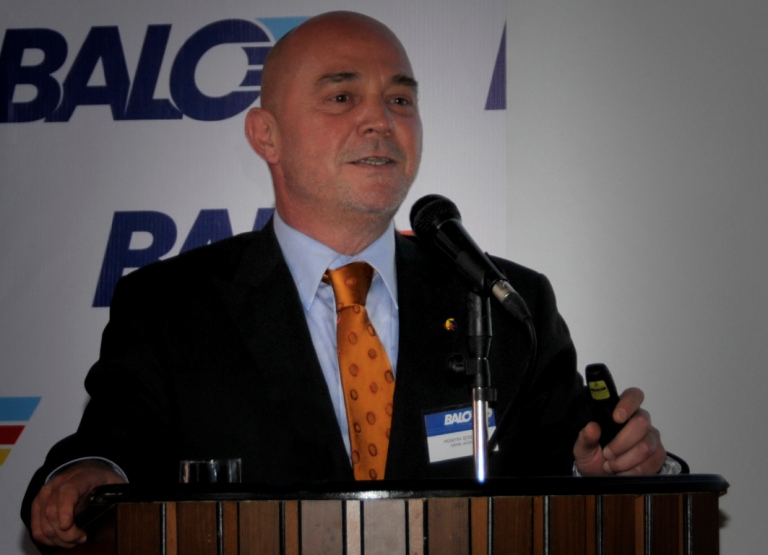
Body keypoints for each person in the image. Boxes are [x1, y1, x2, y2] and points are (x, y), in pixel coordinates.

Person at [22, 11, 672, 549]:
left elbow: (575, 460)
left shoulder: (503, 299)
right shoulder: (172, 307)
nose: (380, 120)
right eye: (342, 97)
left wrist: (609, 466)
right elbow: (107, 449)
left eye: (400, 100)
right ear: (266, 136)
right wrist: (86, 474)